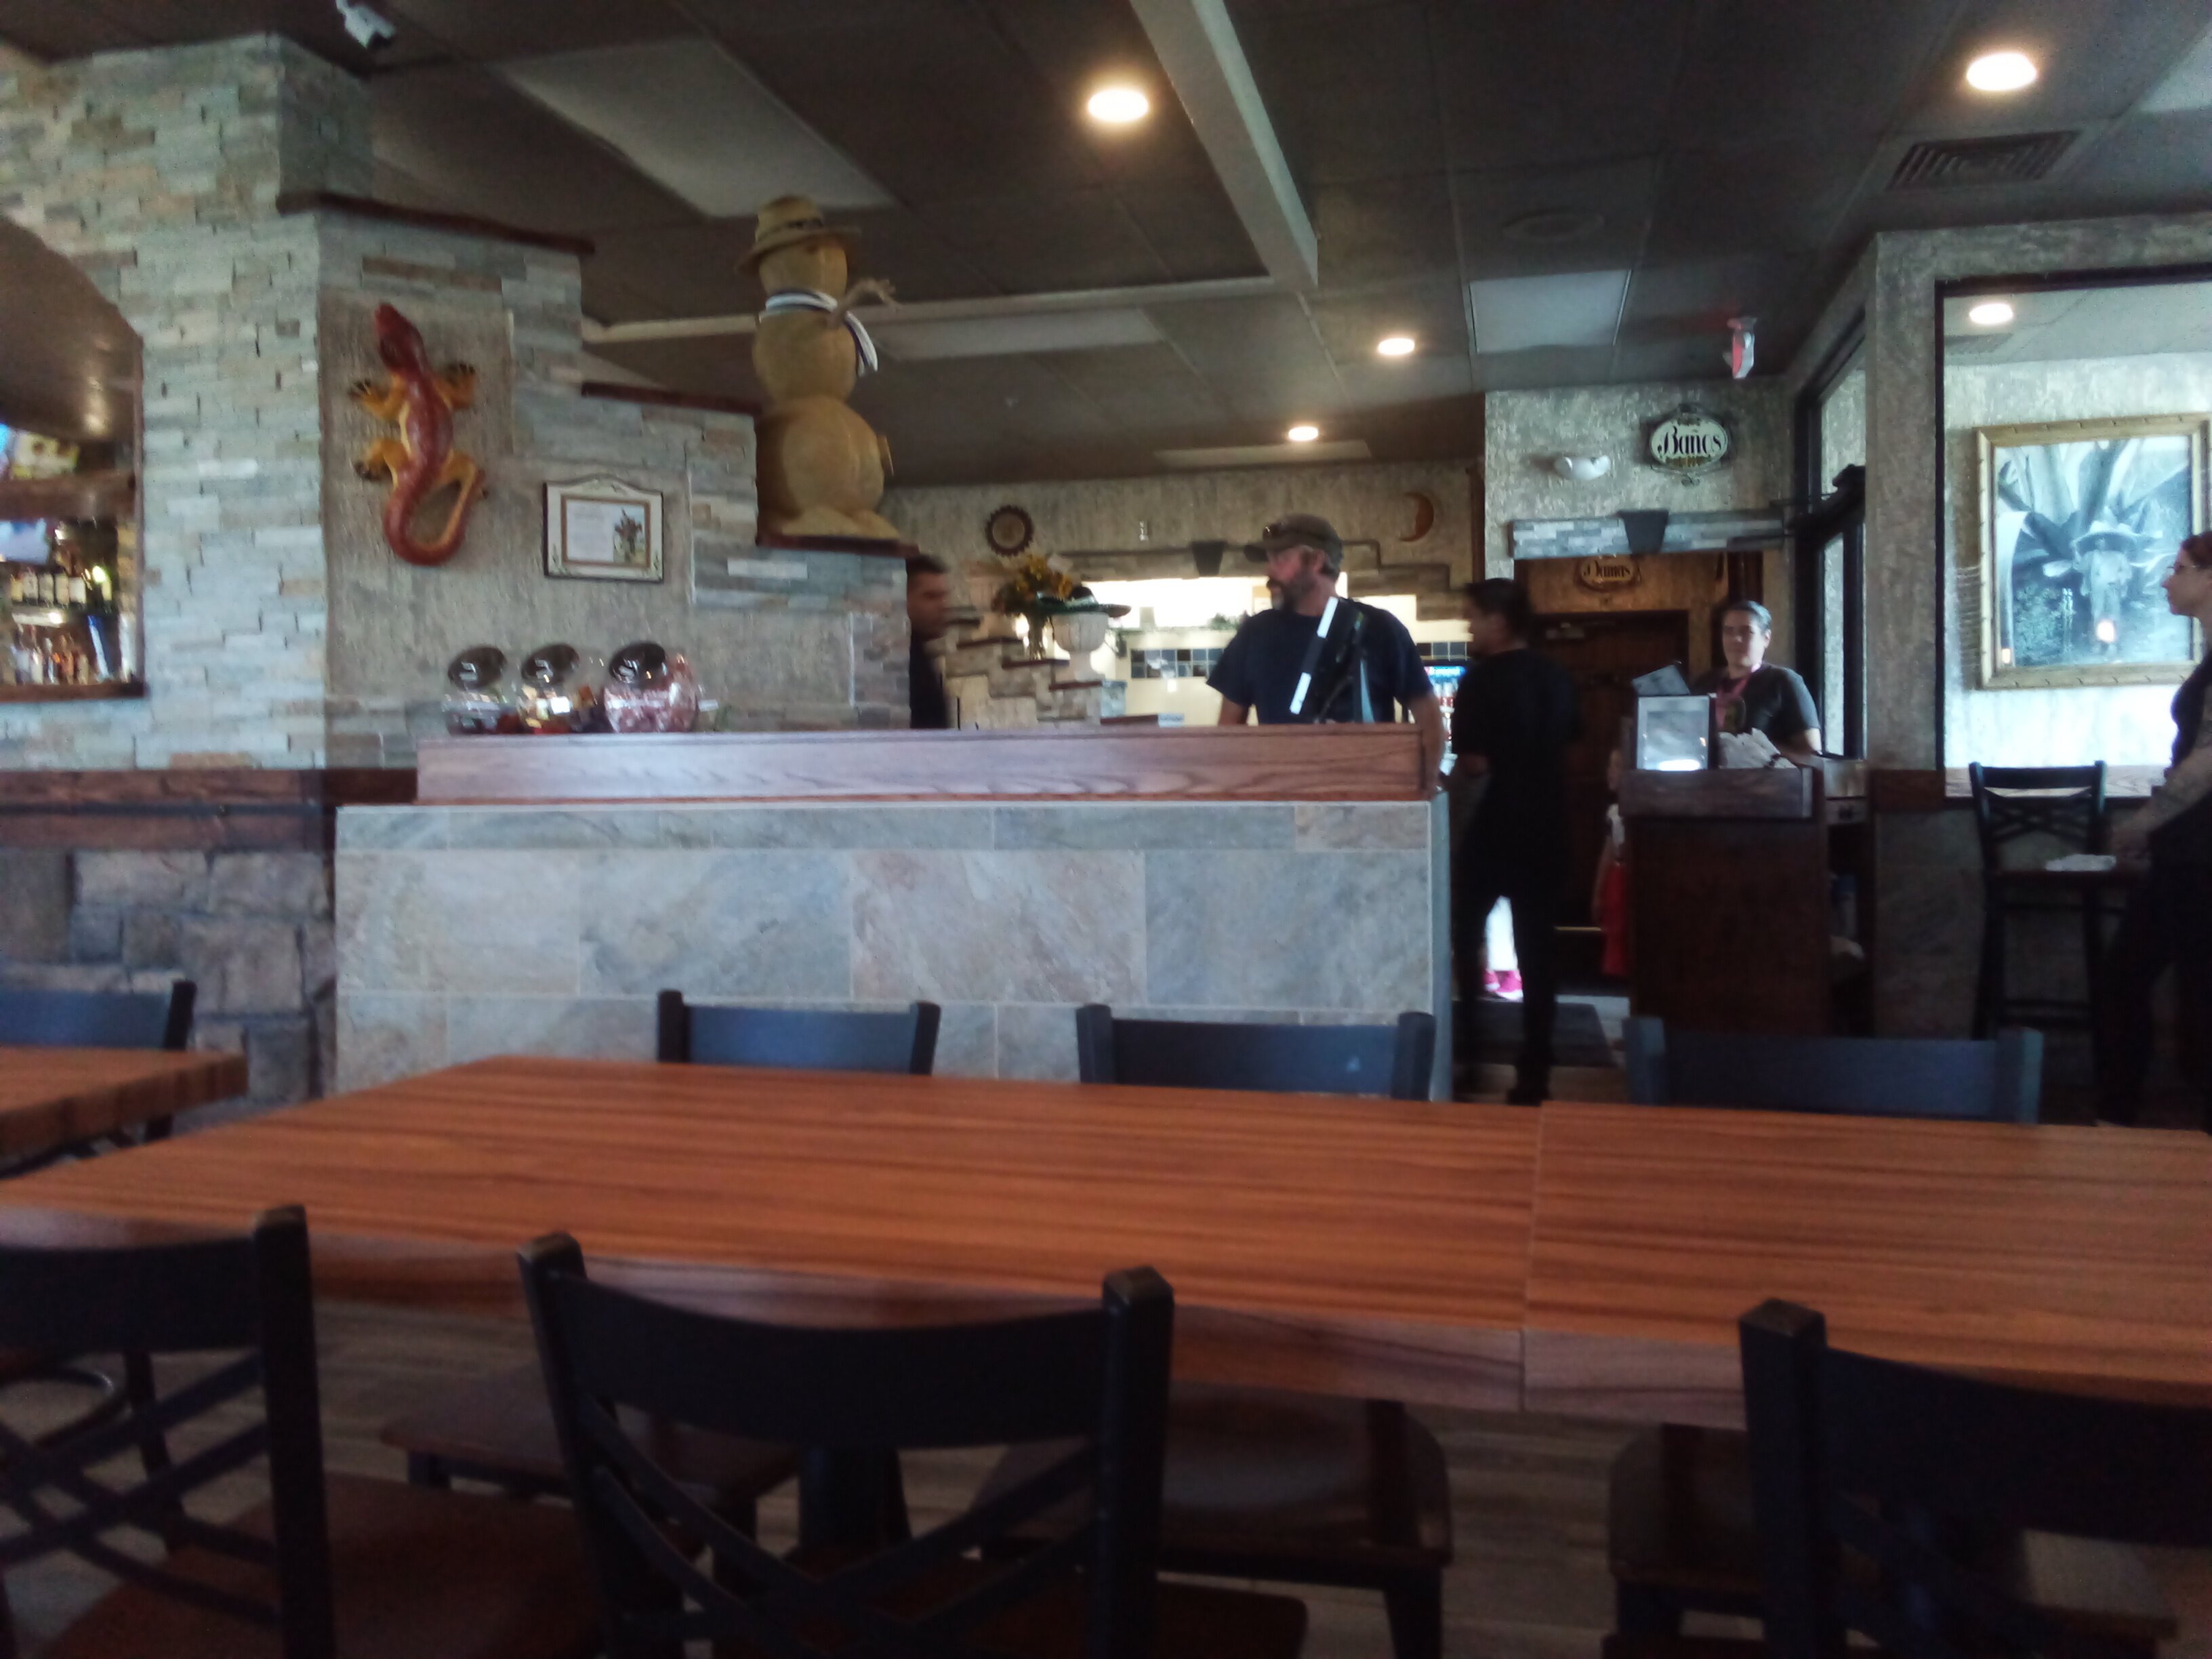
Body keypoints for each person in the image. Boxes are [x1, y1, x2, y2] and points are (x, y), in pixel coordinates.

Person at [2099, 531, 2212, 1131]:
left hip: (2200, 853)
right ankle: (2116, 1119)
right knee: (2137, 980)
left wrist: (2143, 823)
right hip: (2186, 850)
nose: (2167, 579)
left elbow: (2208, 761)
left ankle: (2119, 1120)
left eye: (2179, 568)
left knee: (2172, 989)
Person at [1454, 578, 1580, 1103]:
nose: (1469, 627)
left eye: (1473, 617)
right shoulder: (1558, 676)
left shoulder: (1480, 681)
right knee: (1538, 949)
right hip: (1547, 823)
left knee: (1464, 936)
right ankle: (1535, 1069)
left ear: (1499, 621)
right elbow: (1571, 741)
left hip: (1493, 824)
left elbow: (1473, 763)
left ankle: (1469, 1050)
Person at [1208, 514, 1446, 785]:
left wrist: (1423, 787)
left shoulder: (1380, 628)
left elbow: (1429, 720)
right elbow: (1227, 734)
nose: (1269, 571)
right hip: (1282, 798)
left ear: (1317, 560)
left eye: (1281, 559)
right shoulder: (1254, 634)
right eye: (1269, 560)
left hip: (1369, 797)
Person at [1694, 600, 1821, 761]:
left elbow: (1812, 755)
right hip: (1708, 776)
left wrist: (1761, 749)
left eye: (1746, 632)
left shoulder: (1784, 682)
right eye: (1728, 631)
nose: (1736, 639)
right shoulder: (1705, 683)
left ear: (1766, 638)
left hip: (1763, 776)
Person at [906, 554, 954, 730]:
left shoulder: (919, 654)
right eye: (931, 597)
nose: (943, 606)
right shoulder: (898, 662)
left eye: (943, 596)